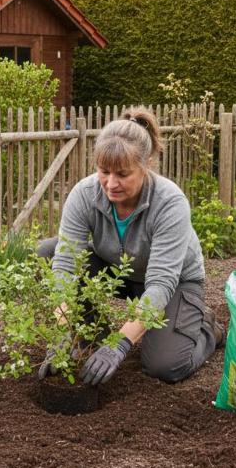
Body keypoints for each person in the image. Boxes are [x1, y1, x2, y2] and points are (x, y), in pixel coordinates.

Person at [37, 106, 224, 387]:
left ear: (146, 164)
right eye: (104, 171)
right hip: (119, 272)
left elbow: (161, 283)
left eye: (122, 174)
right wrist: (63, 332)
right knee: (48, 253)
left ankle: (208, 327)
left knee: (165, 366)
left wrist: (121, 344)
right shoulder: (85, 194)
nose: (111, 184)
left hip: (174, 282)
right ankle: (92, 335)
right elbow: (65, 264)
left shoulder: (170, 202)